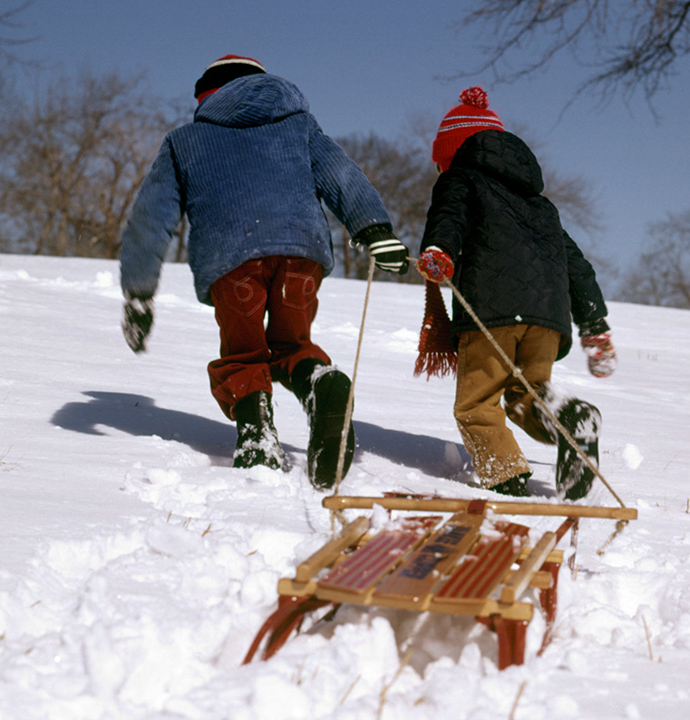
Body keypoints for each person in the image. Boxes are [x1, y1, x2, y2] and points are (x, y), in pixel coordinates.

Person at [118, 55, 409, 487]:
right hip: (300, 253)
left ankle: (257, 436)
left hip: (231, 260)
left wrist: (139, 292)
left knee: (244, 353)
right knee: (292, 343)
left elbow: (149, 218)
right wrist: (374, 229)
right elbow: (342, 176)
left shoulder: (186, 141)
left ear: (206, 99)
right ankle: (320, 382)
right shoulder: (298, 126)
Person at [416, 87, 617, 500]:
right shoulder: (540, 205)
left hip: (490, 312)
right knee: (527, 396)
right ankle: (567, 415)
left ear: (453, 155)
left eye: (440, 163)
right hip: (547, 322)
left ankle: (505, 480)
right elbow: (576, 265)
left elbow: (449, 217)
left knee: (477, 404)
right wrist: (594, 322)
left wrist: (440, 250)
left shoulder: (460, 180)